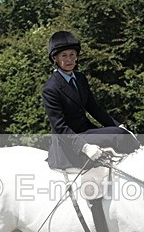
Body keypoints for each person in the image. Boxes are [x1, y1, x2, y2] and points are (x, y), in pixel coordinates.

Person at [41, 31, 139, 170]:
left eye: (72, 55)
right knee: (119, 136)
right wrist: (84, 147)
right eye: (64, 55)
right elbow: (60, 127)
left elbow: (94, 108)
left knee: (121, 133)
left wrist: (119, 126)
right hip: (69, 142)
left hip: (86, 132)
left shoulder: (80, 78)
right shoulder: (51, 88)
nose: (69, 60)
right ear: (54, 58)